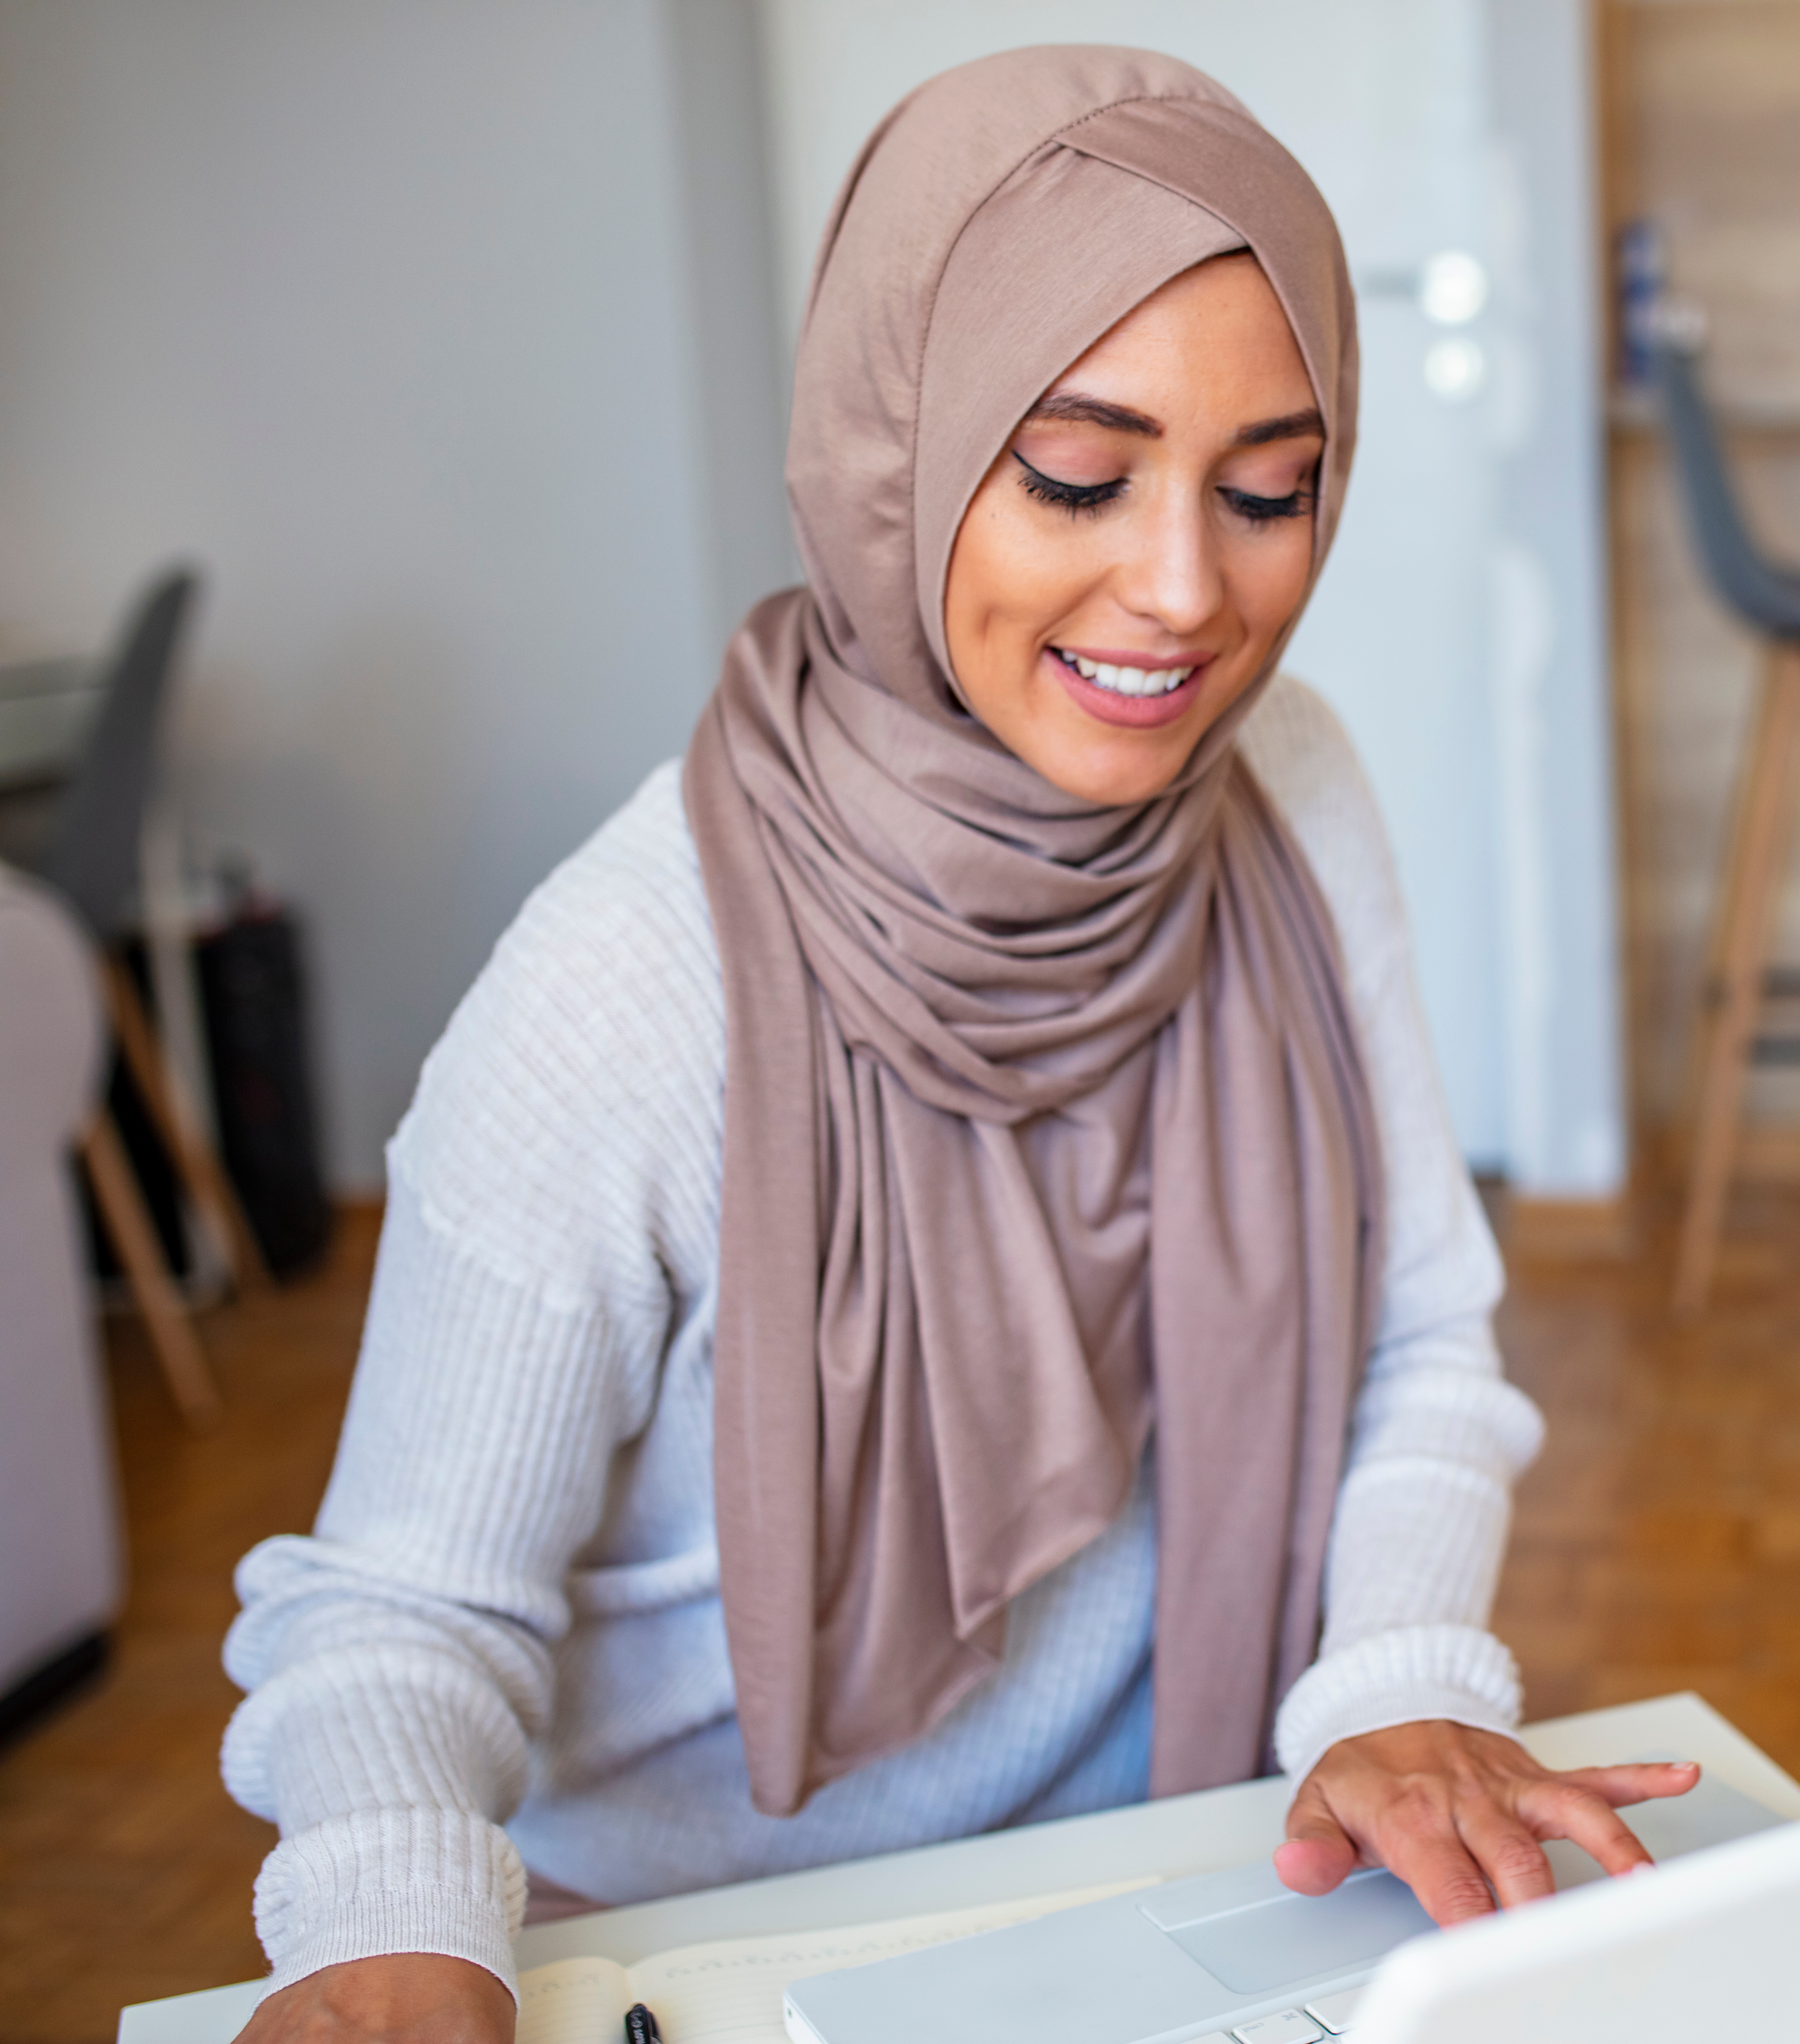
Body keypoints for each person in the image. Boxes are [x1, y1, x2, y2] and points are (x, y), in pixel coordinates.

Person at [217, 48, 1690, 2044]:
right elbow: (403, 1610)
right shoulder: (627, 991)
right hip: (709, 1960)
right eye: (1079, 476)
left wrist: (1403, 1678)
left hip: (1173, 1883)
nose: (1185, 593)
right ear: (894, 456)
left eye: (1271, 491)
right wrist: (395, 1929)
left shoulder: (1287, 791)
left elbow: (1417, 1350)